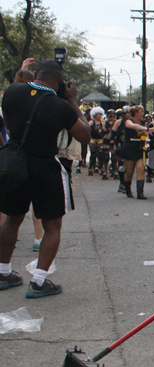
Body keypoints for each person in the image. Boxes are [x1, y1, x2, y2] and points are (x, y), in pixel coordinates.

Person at [0, 59, 90, 297]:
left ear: (36, 74)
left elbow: (9, 123)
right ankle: (39, 281)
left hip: (15, 164)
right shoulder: (60, 106)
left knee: (12, 219)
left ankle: (3, 271)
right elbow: (85, 135)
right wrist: (71, 98)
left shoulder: (13, 92)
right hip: (44, 167)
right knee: (52, 226)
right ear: (60, 82)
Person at [118, 105, 154, 199]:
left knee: (141, 169)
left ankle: (140, 192)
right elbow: (133, 126)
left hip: (139, 149)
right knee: (129, 172)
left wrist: (148, 135)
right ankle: (127, 189)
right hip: (129, 149)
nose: (143, 114)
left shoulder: (143, 122)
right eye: (141, 112)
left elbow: (145, 134)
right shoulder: (129, 121)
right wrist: (146, 129)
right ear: (136, 113)